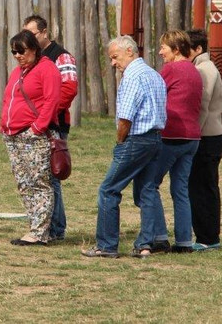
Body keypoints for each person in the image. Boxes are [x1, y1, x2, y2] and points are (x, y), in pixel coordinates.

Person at [82, 35, 166, 258]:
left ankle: (107, 245)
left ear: (130, 51)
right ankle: (146, 244)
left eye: (115, 57)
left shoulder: (131, 77)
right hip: (156, 138)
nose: (113, 63)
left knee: (108, 190)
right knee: (147, 191)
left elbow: (125, 119)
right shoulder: (154, 74)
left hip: (135, 139)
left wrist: (120, 141)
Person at [135, 30, 202, 257]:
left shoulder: (172, 69)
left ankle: (158, 237)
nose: (161, 51)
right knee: (180, 189)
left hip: (171, 136)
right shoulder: (194, 70)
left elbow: (152, 89)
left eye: (164, 47)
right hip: (192, 137)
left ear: (176, 49)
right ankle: (184, 240)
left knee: (149, 185)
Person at [0, 30, 62, 246]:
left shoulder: (47, 69)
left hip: (34, 136)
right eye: (13, 52)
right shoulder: (19, 72)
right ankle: (34, 227)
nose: (17, 55)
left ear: (34, 49)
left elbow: (52, 100)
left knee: (39, 183)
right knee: (24, 183)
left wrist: (37, 128)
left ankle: (40, 232)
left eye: (21, 51)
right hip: (13, 135)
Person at [23, 15, 78, 241]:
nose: (29, 39)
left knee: (51, 175)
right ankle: (46, 225)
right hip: (35, 124)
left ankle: (55, 229)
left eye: (32, 34)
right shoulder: (32, 57)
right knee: (39, 177)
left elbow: (68, 90)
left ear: (44, 32)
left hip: (53, 124)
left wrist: (46, 114)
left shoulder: (61, 56)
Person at [186, 28, 222, 252]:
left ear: (198, 49)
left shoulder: (204, 69)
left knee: (202, 186)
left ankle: (207, 237)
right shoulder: (205, 67)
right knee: (205, 185)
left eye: (186, 48)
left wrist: (193, 133)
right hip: (211, 133)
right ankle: (208, 235)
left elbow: (202, 104)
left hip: (206, 136)